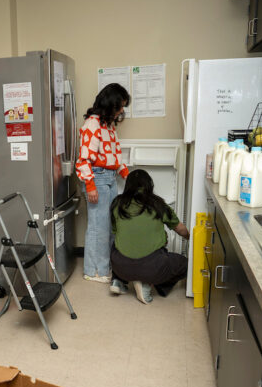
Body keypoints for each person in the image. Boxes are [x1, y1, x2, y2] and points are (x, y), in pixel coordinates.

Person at [76, 83, 131, 283]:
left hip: (108, 177)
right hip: (96, 178)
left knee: (108, 224)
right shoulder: (92, 124)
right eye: (119, 106)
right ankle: (94, 271)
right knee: (98, 226)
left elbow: (114, 155)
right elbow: (84, 159)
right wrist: (90, 185)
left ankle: (104, 267)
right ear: (110, 104)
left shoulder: (108, 125)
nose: (122, 111)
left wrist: (125, 173)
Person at [109, 169, 190, 304]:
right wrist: (190, 238)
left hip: (120, 266)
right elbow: (180, 229)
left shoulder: (117, 204)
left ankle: (118, 281)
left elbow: (116, 232)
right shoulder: (158, 204)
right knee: (186, 265)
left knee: (116, 243)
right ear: (149, 185)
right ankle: (148, 284)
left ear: (128, 185)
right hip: (153, 268)